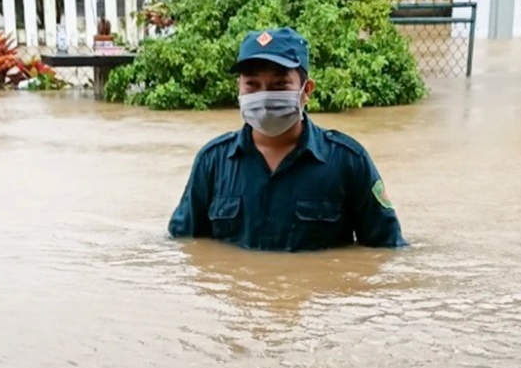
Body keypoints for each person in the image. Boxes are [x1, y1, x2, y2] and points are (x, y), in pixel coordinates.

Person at [167, 27, 408, 252]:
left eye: (280, 85)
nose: (264, 96)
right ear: (238, 88)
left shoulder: (348, 161)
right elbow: (186, 246)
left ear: (307, 90)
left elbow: (386, 251)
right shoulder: (212, 161)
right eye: (252, 85)